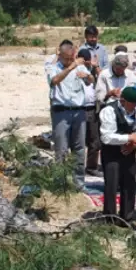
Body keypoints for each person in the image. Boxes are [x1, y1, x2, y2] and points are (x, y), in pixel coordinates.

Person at [47, 40, 93, 189]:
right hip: (62, 111)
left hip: (79, 111)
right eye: (65, 58)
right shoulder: (53, 67)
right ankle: (60, 182)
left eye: (70, 58)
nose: (68, 61)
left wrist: (87, 76)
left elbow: (90, 80)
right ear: (59, 55)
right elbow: (54, 81)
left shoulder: (79, 66)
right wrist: (70, 67)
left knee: (79, 148)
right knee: (61, 148)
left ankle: (79, 183)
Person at [99, 86, 136, 223]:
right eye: (131, 104)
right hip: (111, 152)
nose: (134, 107)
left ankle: (127, 217)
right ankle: (110, 219)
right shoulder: (109, 111)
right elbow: (106, 137)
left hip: (128, 151)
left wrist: (132, 144)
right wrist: (129, 138)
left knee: (129, 184)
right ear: (123, 101)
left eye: (135, 104)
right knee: (112, 186)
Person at [79, 49, 102, 177]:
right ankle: (77, 167)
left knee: (94, 139)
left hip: (92, 108)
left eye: (87, 60)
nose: (86, 63)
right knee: (78, 140)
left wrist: (96, 66)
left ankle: (92, 167)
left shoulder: (93, 71)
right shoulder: (75, 70)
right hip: (79, 108)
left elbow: (102, 78)